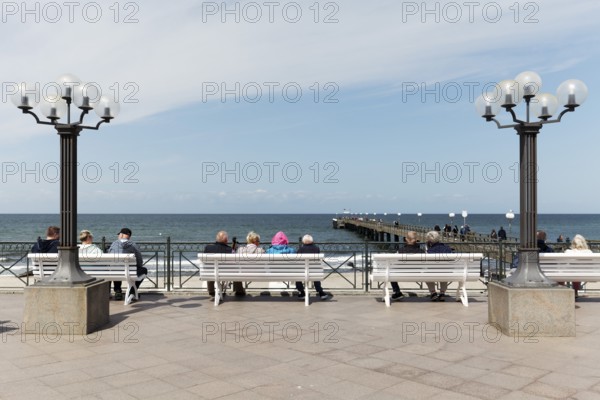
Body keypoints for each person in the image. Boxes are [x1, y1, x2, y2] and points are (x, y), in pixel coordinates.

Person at [108, 228, 147, 302]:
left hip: (113, 272)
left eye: (119, 234)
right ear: (129, 236)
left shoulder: (114, 244)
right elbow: (139, 260)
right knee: (144, 270)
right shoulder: (133, 245)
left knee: (116, 267)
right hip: (129, 273)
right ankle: (131, 292)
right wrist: (138, 267)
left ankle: (118, 291)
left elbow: (109, 258)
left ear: (122, 235)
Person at [205, 230, 244, 298]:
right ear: (226, 240)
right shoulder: (229, 250)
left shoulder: (208, 248)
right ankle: (239, 291)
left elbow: (205, 263)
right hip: (226, 274)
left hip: (211, 273)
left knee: (211, 268)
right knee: (236, 269)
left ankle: (211, 290)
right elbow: (234, 263)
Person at [295, 234, 332, 301]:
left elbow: (297, 260)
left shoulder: (301, 249)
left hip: (303, 272)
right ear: (312, 241)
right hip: (313, 271)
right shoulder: (316, 248)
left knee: (298, 277)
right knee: (315, 274)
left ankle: (302, 292)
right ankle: (321, 293)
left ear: (303, 241)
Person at [390, 231, 424, 301]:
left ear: (406, 239)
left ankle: (397, 292)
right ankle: (434, 293)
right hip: (419, 274)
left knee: (390, 271)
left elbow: (392, 262)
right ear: (416, 240)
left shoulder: (400, 251)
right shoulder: (422, 252)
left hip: (402, 274)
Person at [425, 230, 452, 301]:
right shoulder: (447, 249)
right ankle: (442, 293)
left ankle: (433, 293)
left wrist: (428, 248)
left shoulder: (429, 251)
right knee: (444, 271)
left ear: (429, 241)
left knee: (426, 274)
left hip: (433, 273)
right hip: (446, 273)